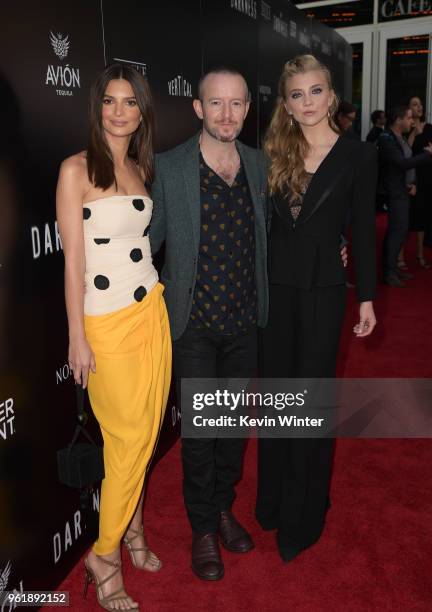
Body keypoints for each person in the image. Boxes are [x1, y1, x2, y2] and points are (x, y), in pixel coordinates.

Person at [56, 63, 172, 610]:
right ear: (97, 107)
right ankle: (103, 556)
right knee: (125, 442)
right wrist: (77, 338)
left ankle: (133, 532)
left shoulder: (140, 169)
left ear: (142, 112)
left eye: (130, 102)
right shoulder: (75, 170)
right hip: (106, 321)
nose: (120, 110)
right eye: (110, 100)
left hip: (152, 311)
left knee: (144, 437)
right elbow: (73, 261)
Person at [256, 54, 377, 563]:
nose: (307, 103)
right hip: (275, 292)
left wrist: (366, 294)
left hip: (326, 290)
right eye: (296, 95)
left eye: (316, 91)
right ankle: (274, 500)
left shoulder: (359, 155)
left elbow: (366, 231)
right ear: (285, 102)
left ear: (332, 95)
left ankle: (304, 515)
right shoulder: (271, 151)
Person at [149, 67, 268, 581]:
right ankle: (202, 526)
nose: (227, 114)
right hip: (193, 325)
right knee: (200, 433)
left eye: (237, 104)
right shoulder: (169, 167)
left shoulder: (260, 165)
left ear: (247, 108)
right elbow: (146, 243)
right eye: (216, 104)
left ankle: (223, 508)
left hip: (244, 322)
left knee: (232, 429)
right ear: (197, 108)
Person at [378, 106, 432, 287]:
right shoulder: (386, 139)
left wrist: (413, 183)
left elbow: (407, 164)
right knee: (397, 232)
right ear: (398, 120)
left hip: (404, 190)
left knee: (399, 232)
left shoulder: (400, 138)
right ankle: (389, 272)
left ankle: (392, 268)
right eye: (408, 118)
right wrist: (427, 155)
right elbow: (402, 163)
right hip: (395, 193)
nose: (412, 121)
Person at [412, 123, 432, 268]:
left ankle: (420, 254)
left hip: (422, 183)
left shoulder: (426, 131)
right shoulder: (412, 134)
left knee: (421, 221)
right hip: (417, 184)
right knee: (417, 221)